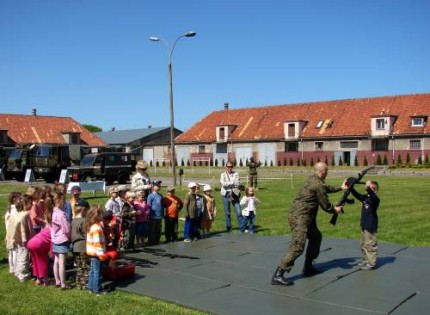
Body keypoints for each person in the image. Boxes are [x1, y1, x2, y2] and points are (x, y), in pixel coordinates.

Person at [271, 162, 345, 286]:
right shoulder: (317, 183)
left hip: (306, 217)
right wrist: (335, 210)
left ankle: (308, 267)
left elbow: (325, 188)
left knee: (316, 236)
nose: (327, 173)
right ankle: (278, 274)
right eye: (327, 171)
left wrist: (341, 188)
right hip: (301, 217)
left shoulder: (314, 180)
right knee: (298, 245)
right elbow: (325, 205)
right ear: (323, 171)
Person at [349, 180, 380, 271]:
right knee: (363, 244)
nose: (371, 190)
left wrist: (368, 188)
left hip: (370, 225)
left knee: (370, 244)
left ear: (376, 190)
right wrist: (350, 187)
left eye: (373, 188)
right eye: (370, 188)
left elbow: (373, 196)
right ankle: (366, 260)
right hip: (364, 224)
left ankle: (371, 263)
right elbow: (357, 195)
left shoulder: (376, 200)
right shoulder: (365, 197)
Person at [5, 194, 34, 282]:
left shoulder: (16, 214)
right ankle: (23, 276)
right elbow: (29, 228)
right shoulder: (25, 215)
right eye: (30, 203)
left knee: (18, 255)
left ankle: (17, 272)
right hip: (23, 239)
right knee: (23, 257)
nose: (32, 205)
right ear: (26, 203)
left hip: (16, 238)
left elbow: (11, 227)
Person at [26, 196, 53, 287]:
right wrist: (52, 255)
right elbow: (51, 245)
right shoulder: (53, 231)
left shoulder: (45, 228)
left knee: (35, 261)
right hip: (38, 245)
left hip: (31, 242)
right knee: (43, 261)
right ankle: (45, 280)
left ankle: (38, 279)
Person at [85, 205, 109, 295]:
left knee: (92, 271)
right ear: (97, 216)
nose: (102, 216)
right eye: (101, 214)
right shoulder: (96, 228)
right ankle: (97, 289)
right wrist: (101, 254)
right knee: (97, 272)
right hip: (97, 253)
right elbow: (97, 243)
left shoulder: (91, 226)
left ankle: (91, 287)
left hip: (92, 252)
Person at [51, 191, 71, 290]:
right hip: (62, 239)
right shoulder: (61, 215)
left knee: (56, 261)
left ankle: (57, 280)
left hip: (55, 239)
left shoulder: (54, 212)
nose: (65, 203)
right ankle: (63, 283)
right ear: (59, 201)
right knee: (62, 262)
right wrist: (70, 234)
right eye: (63, 201)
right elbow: (66, 229)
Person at [71, 199, 90, 290]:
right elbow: (87, 234)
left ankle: (79, 284)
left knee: (79, 266)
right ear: (84, 210)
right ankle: (85, 284)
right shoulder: (84, 221)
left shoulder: (73, 220)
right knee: (85, 266)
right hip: (83, 246)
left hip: (75, 246)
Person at [220, 161, 242, 232]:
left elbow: (237, 184)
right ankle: (229, 228)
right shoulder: (223, 174)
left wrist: (229, 184)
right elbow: (223, 184)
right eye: (228, 166)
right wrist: (232, 183)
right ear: (225, 167)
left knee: (238, 211)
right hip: (225, 194)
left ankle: (242, 227)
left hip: (234, 193)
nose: (230, 168)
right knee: (227, 212)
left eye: (231, 166)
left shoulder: (236, 174)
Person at [4, 191, 21, 274]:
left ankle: (11, 268)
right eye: (19, 198)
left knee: (10, 251)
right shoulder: (15, 211)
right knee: (15, 251)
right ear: (14, 199)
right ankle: (15, 269)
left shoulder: (9, 210)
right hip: (13, 233)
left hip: (8, 233)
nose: (20, 200)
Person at [147, 180, 164, 245]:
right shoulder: (150, 196)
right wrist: (148, 214)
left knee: (158, 229)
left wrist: (162, 213)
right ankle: (151, 241)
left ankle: (157, 240)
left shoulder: (160, 195)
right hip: (153, 215)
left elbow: (162, 205)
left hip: (159, 215)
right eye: (157, 185)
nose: (159, 186)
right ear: (153, 187)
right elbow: (148, 205)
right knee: (152, 229)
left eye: (159, 185)